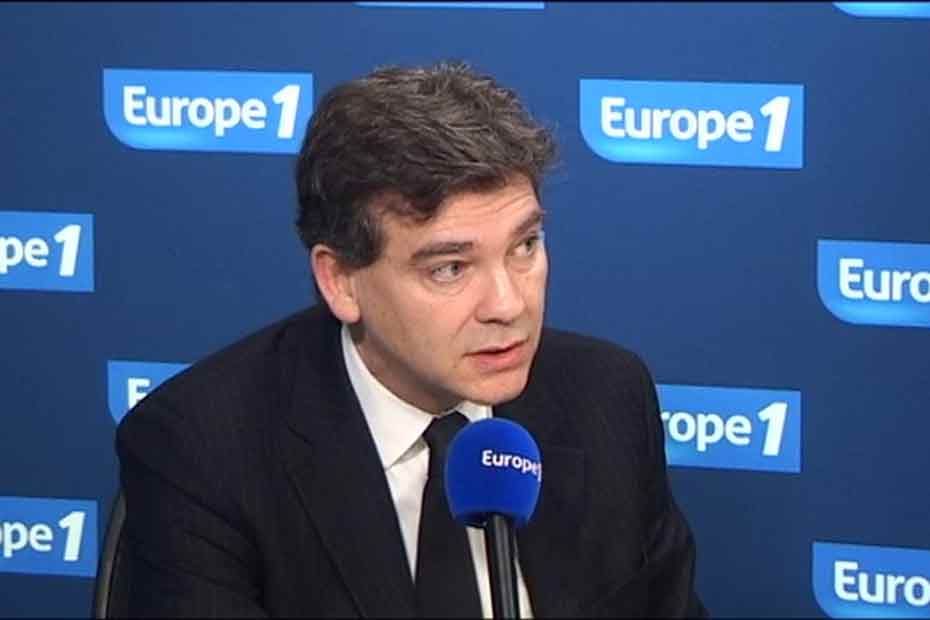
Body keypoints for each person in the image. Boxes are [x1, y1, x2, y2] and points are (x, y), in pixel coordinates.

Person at [116, 61, 707, 618]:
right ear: (340, 281)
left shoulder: (606, 399)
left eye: (525, 246)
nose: (509, 306)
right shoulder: (202, 452)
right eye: (450, 268)